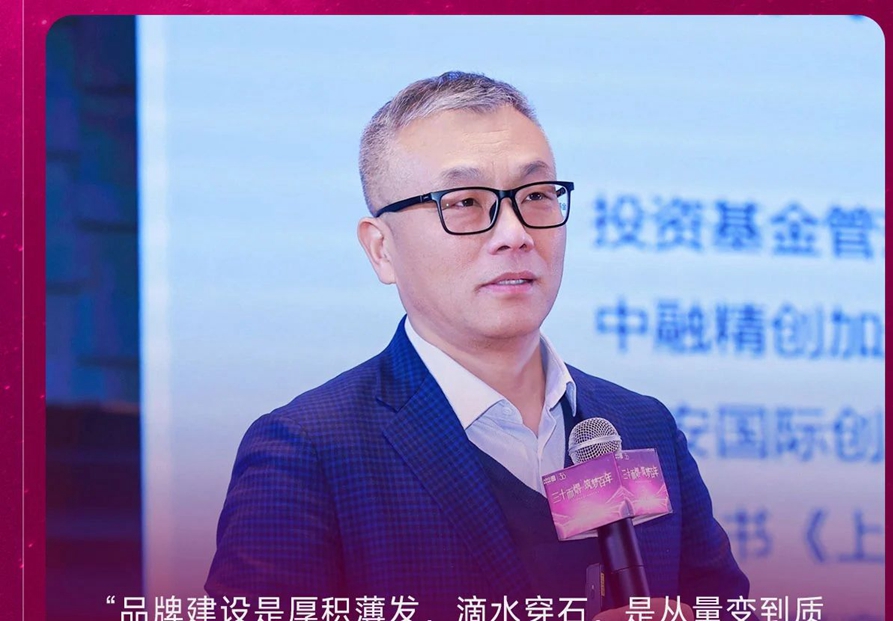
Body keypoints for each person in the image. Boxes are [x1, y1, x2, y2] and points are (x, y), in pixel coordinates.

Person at [206, 71, 751, 621]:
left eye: (536, 196)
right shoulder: (310, 451)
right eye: (465, 201)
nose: (515, 233)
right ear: (381, 249)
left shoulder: (641, 425)